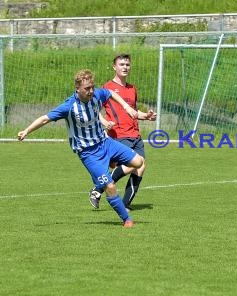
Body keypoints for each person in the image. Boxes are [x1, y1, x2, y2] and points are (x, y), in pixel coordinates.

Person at [17, 69, 143, 228]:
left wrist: (126, 107)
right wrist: (27, 131)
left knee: (138, 162)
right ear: (77, 88)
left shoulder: (97, 94)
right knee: (110, 186)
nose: (91, 91)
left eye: (92, 87)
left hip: (106, 143)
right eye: (87, 88)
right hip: (89, 154)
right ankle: (126, 219)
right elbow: (44, 119)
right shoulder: (69, 106)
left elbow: (110, 92)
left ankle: (111, 161)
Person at [88, 53, 156, 211]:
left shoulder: (132, 89)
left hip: (135, 134)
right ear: (114, 67)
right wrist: (104, 122)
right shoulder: (107, 88)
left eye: (127, 65)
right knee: (133, 163)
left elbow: (133, 112)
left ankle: (124, 205)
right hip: (119, 134)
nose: (125, 67)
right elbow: (93, 108)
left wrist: (146, 116)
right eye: (121, 64)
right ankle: (98, 188)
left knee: (141, 166)